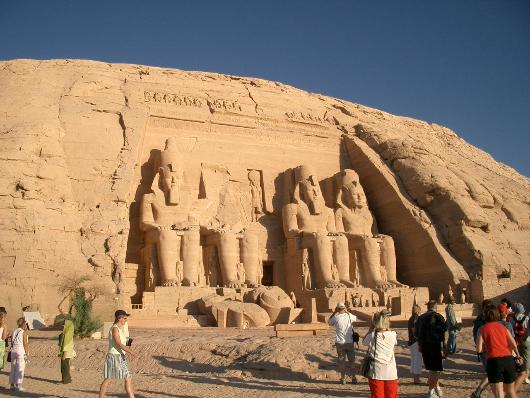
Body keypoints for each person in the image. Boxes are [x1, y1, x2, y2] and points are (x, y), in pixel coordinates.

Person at [476, 305, 522, 398]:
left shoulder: (482, 329)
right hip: (508, 360)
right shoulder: (502, 327)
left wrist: (487, 348)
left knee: (499, 393)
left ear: (485, 316)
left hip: (494, 361)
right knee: (511, 391)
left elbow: (479, 349)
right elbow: (513, 343)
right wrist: (518, 355)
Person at [99, 310, 138, 398]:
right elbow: (119, 343)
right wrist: (131, 352)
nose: (126, 320)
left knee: (125, 378)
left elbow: (126, 339)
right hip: (114, 356)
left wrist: (129, 345)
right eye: (124, 318)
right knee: (110, 379)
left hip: (119, 356)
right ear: (119, 318)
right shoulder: (115, 328)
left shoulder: (121, 328)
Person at [362, 310, 398, 398]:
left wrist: (371, 329)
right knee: (391, 395)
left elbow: (364, 342)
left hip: (376, 371)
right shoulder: (393, 335)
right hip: (390, 372)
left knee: (377, 395)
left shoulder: (373, 335)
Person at [416, 299, 447, 398]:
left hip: (424, 346)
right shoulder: (438, 317)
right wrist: (444, 346)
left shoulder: (420, 318)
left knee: (431, 369)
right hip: (435, 345)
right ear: (435, 307)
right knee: (436, 370)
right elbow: (443, 333)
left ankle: (436, 387)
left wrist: (420, 345)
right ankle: (431, 390)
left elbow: (417, 334)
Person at [328, 302, 358, 384]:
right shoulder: (349, 316)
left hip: (340, 343)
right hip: (350, 342)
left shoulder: (336, 317)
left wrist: (334, 312)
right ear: (344, 308)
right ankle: (354, 378)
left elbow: (329, 322)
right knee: (352, 361)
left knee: (342, 362)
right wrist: (347, 311)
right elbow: (355, 318)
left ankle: (343, 379)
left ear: (337, 309)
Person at [471, 300, 495, 398]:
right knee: (492, 373)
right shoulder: (483, 321)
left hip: (487, 350)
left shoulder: (480, 320)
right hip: (488, 350)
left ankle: (478, 391)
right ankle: (478, 392)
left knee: (491, 373)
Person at [511, 303, 530, 393]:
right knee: (526, 358)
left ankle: (519, 374)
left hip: (516, 341)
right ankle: (525, 376)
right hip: (526, 340)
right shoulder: (526, 318)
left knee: (518, 357)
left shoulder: (511, 319)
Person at [9, 317, 29, 392]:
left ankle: (12, 385)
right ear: (24, 324)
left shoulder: (15, 331)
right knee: (20, 368)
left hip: (13, 351)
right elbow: (25, 344)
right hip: (21, 351)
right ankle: (18, 385)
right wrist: (26, 354)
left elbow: (12, 342)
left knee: (13, 368)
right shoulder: (23, 332)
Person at [407, 303, 423, 384]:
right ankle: (416, 379)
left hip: (411, 342)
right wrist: (419, 341)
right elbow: (414, 330)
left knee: (414, 360)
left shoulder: (411, 318)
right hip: (415, 342)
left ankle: (415, 378)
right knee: (417, 360)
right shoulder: (416, 318)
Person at [58, 319, 75, 384]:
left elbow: (66, 345)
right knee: (66, 367)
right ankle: (68, 379)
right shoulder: (68, 334)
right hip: (68, 354)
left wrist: (64, 355)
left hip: (66, 354)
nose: (63, 325)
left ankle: (65, 381)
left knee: (64, 368)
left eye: (64, 324)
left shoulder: (67, 335)